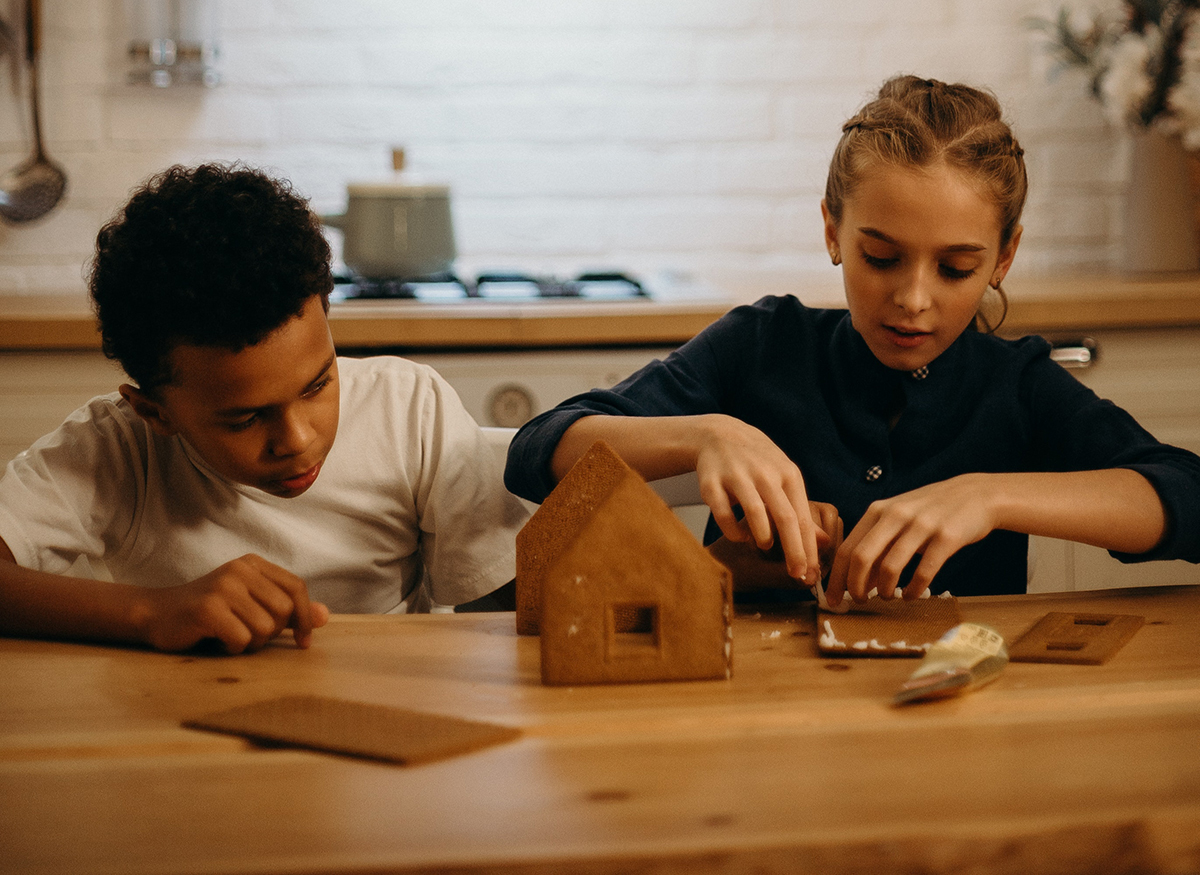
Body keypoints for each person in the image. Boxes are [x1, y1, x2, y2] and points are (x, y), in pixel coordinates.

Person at [504, 75, 1200, 607]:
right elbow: (538, 449)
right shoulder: (762, 343)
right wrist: (705, 435)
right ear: (833, 230)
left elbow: (1188, 496)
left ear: (1003, 258)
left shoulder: (1013, 383)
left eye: (956, 268)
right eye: (881, 257)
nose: (913, 299)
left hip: (956, 732)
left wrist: (989, 497)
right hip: (754, 719)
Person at [0, 163, 528, 653]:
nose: (296, 440)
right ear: (155, 413)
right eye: (246, 418)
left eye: (318, 384)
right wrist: (151, 611)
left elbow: (500, 613)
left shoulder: (410, 409)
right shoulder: (115, 452)